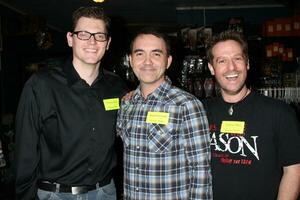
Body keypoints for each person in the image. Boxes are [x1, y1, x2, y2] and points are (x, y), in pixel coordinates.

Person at [15, 7, 127, 200]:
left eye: (99, 35)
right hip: (56, 195)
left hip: (105, 192)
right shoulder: (41, 84)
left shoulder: (117, 87)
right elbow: (25, 151)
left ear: (107, 43)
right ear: (70, 38)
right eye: (83, 34)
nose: (92, 41)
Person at [116, 27, 212, 200]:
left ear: (168, 61)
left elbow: (201, 171)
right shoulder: (126, 104)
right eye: (139, 54)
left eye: (156, 54)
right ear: (130, 60)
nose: (147, 61)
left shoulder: (187, 105)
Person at [204, 30, 300, 199]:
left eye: (237, 58)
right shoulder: (201, 112)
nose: (231, 67)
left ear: (247, 63)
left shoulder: (279, 113)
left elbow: (294, 171)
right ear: (212, 68)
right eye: (222, 61)